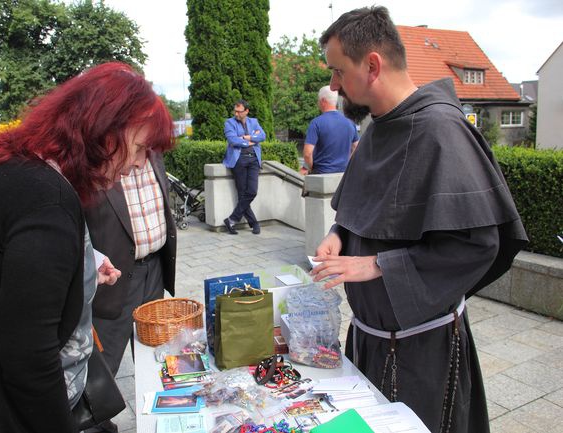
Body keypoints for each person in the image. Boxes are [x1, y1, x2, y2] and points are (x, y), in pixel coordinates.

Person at [0, 62, 174, 433]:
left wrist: (82, 264)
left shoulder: (12, 169)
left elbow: (10, 264)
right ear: (103, 129)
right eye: (138, 148)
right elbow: (29, 363)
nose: (137, 165)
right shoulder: (46, 200)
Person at [310, 7, 528, 433]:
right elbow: (362, 210)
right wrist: (339, 233)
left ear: (372, 65)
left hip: (420, 354)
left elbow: (477, 245)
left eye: (338, 71)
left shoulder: (442, 130)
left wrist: (374, 264)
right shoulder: (375, 130)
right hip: (368, 340)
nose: (334, 85)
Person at [83, 116, 177, 433]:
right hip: (114, 275)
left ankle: (158, 420)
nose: (139, 162)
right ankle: (94, 424)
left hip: (154, 268)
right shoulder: (92, 153)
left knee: (154, 356)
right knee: (101, 363)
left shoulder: (152, 148)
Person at [222, 99, 266, 235]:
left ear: (246, 111)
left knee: (252, 191)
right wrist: (251, 141)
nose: (236, 114)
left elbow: (263, 136)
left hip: (254, 160)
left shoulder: (254, 122)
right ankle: (254, 223)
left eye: (239, 111)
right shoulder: (229, 123)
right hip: (238, 160)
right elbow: (233, 140)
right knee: (242, 194)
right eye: (235, 111)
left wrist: (246, 137)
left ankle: (232, 219)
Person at [301, 86, 359, 175]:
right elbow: (356, 147)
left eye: (318, 100)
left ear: (323, 101)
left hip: (320, 175)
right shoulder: (350, 123)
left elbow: (307, 153)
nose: (318, 103)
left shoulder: (316, 123)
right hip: (343, 175)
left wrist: (311, 168)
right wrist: (347, 165)